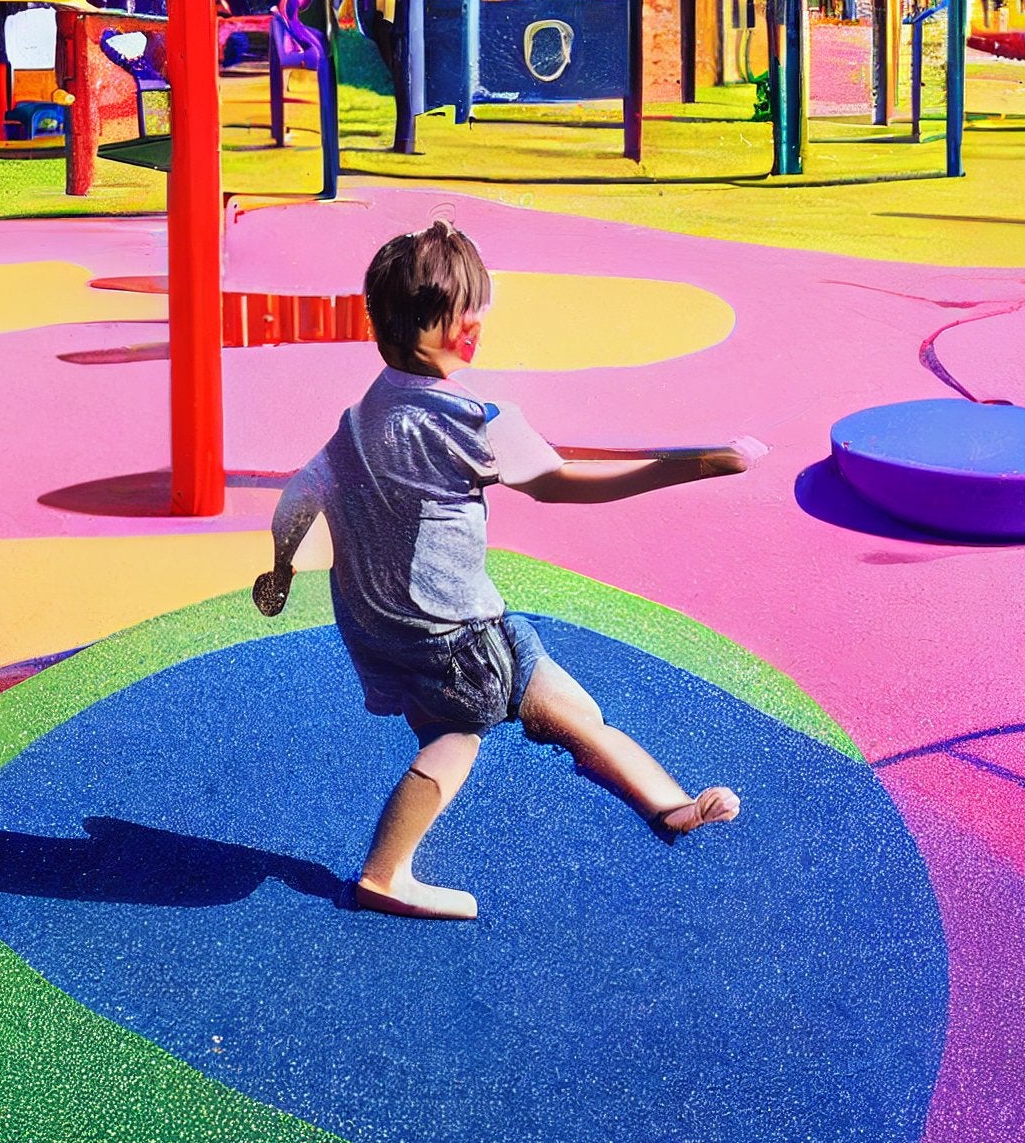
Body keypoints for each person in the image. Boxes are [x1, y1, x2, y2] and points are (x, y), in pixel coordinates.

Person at [254, 219, 763, 920]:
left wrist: (281, 568)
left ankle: (669, 804)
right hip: (446, 631)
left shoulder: (365, 412)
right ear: (428, 326)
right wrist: (689, 467)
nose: (476, 323)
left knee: (571, 711)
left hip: (396, 622)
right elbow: (559, 482)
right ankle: (384, 875)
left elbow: (301, 494)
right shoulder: (471, 418)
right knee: (455, 736)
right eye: (462, 314)